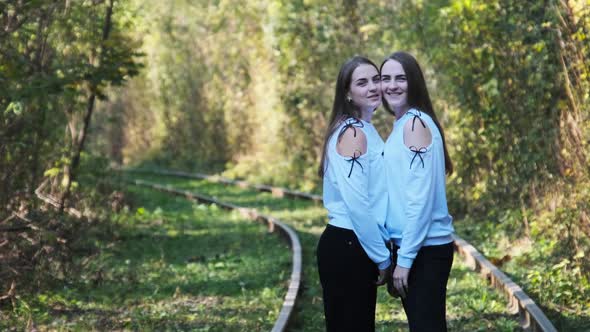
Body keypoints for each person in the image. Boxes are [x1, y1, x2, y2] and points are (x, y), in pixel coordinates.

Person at [380, 51, 455, 332]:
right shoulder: (405, 123)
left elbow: (420, 200)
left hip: (425, 250)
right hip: (416, 247)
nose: (392, 85)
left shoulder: (415, 124)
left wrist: (406, 260)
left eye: (401, 78)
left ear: (414, 82)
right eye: (386, 78)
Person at [316, 56, 391, 332]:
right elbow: (358, 204)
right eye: (362, 82)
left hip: (353, 245)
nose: (373, 87)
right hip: (349, 245)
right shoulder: (352, 133)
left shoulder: (364, 129)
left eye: (376, 79)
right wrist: (381, 257)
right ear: (347, 92)